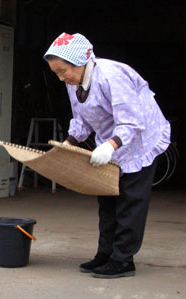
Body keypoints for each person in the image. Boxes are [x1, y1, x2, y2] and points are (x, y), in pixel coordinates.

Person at [44, 32, 171, 278]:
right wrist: (67, 144)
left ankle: (123, 260)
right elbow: (81, 119)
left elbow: (132, 122)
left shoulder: (112, 75)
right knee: (107, 199)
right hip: (111, 142)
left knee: (129, 201)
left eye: (63, 71)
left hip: (139, 140)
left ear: (80, 61)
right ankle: (105, 254)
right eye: (56, 73)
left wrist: (110, 146)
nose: (61, 78)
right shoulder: (74, 83)